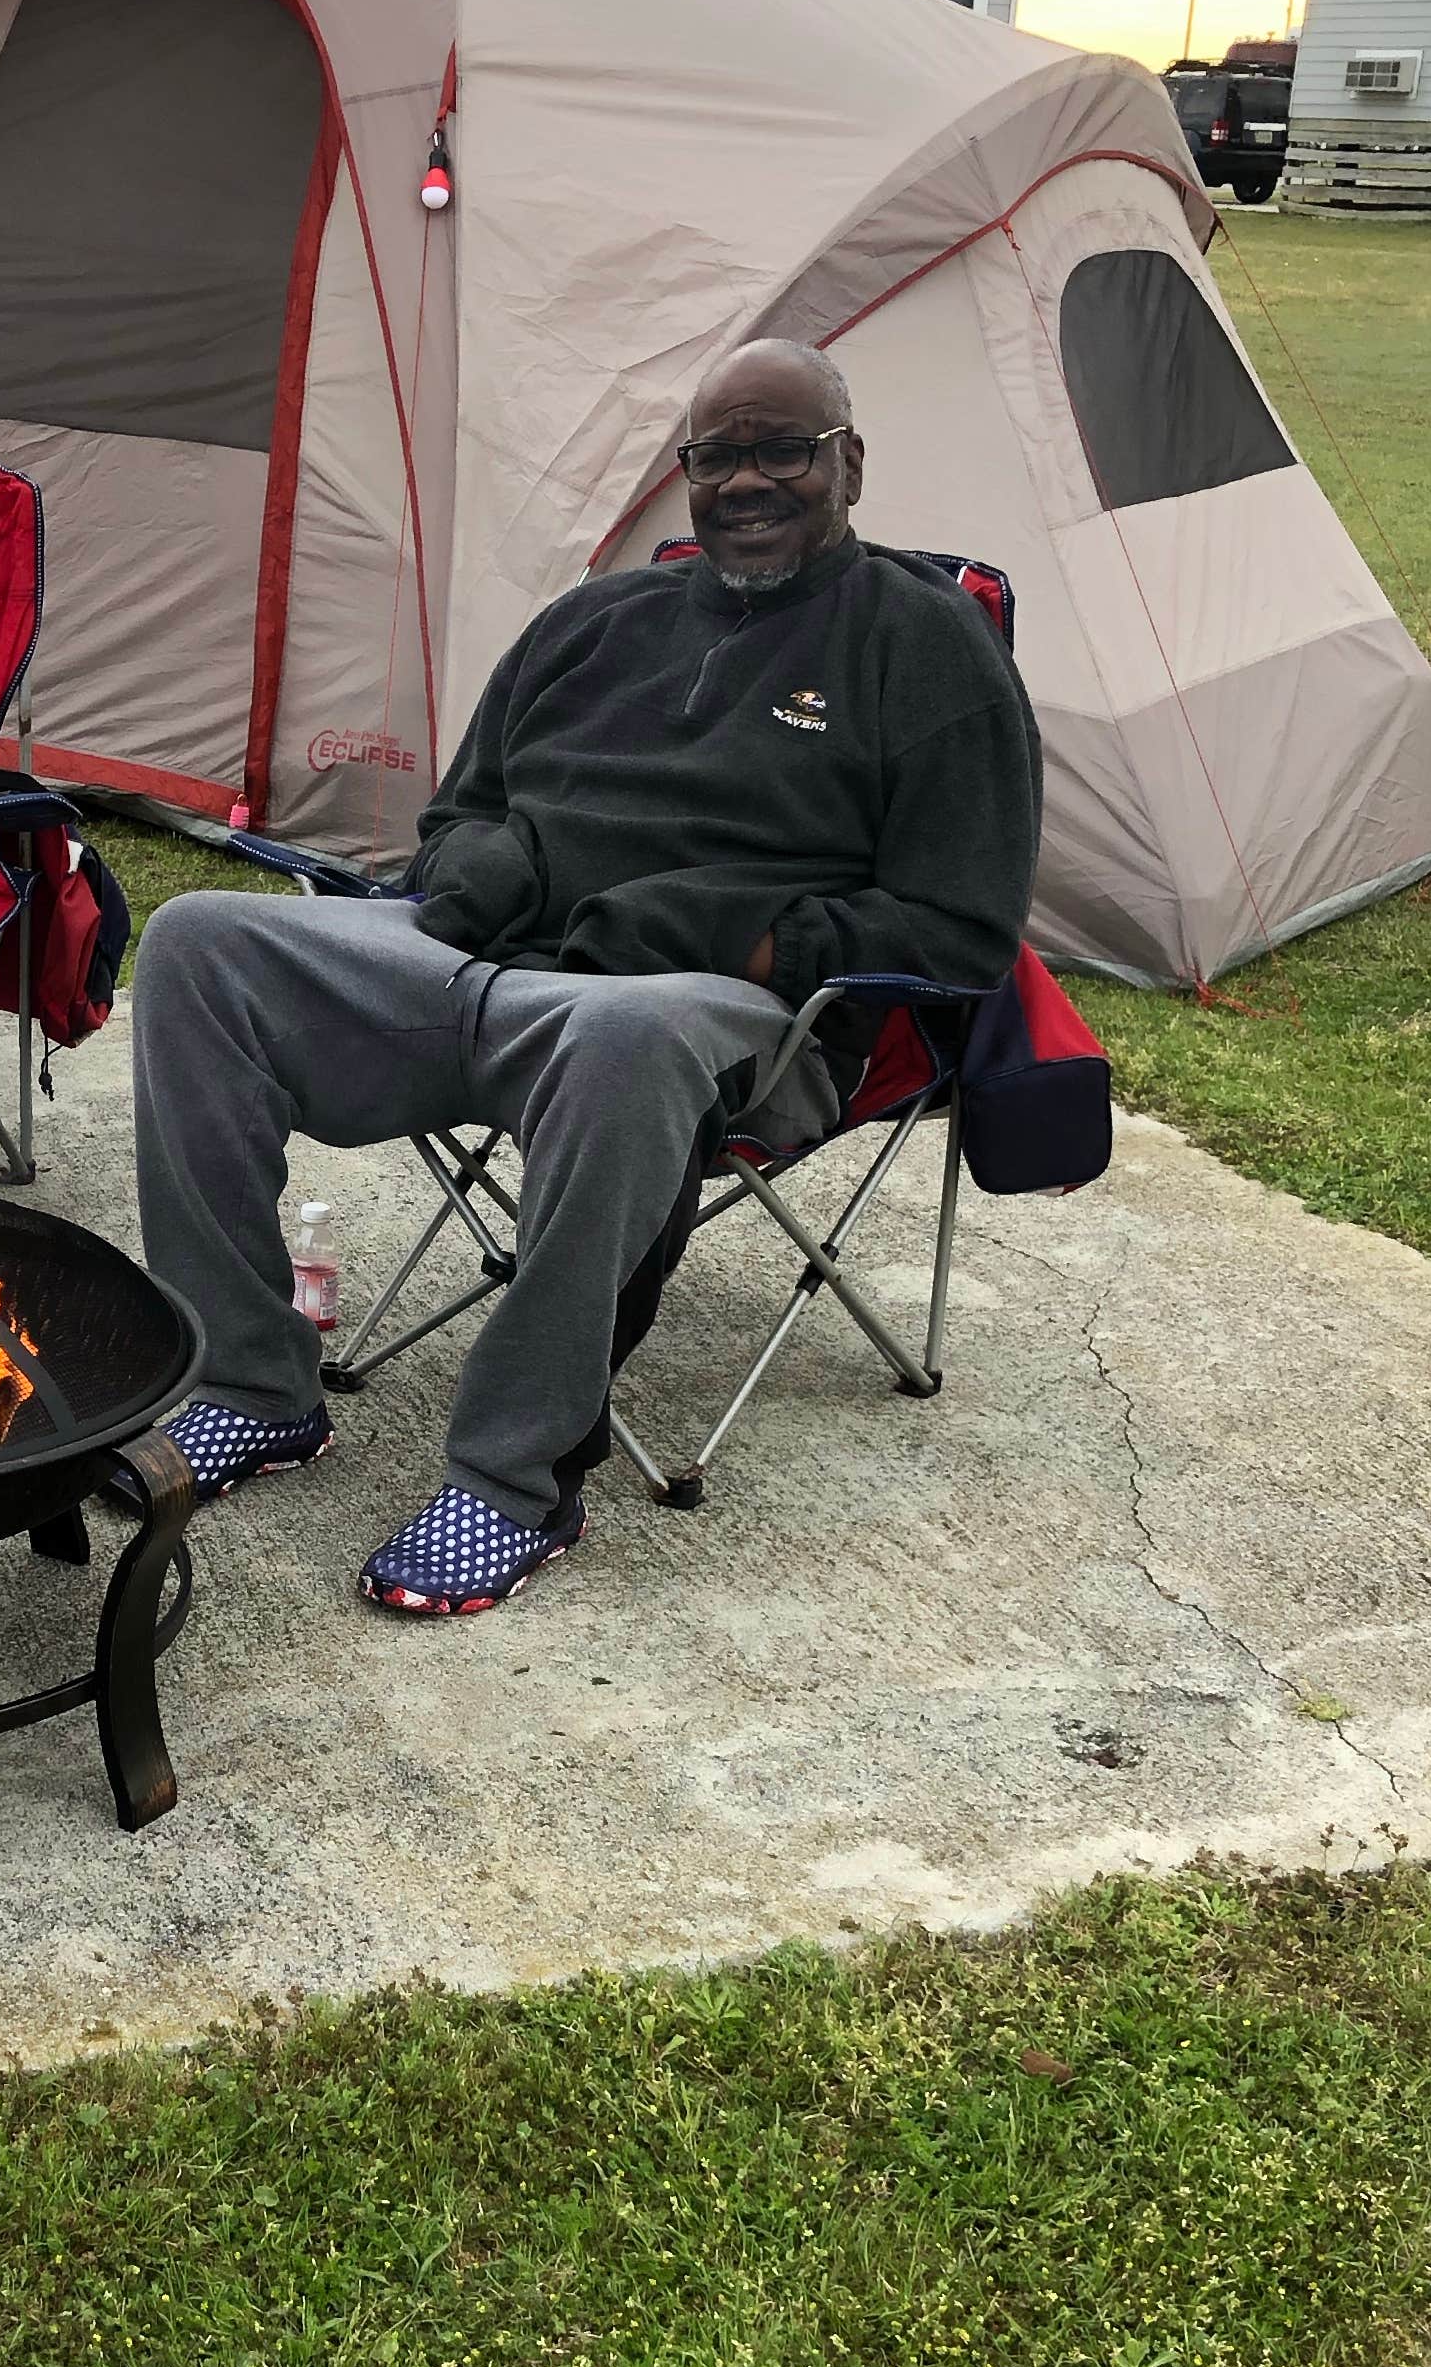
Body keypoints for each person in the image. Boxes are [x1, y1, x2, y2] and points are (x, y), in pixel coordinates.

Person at [131, 339, 1042, 1616]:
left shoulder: (930, 648)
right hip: (487, 966)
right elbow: (458, 818)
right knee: (200, 944)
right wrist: (487, 872)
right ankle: (248, 1385)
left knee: (624, 1037)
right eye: (716, 456)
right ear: (684, 475)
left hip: (717, 1017)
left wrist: (731, 932)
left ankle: (515, 1477)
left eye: (783, 448)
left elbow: (960, 932)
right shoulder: (595, 618)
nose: (747, 481)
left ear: (849, 463)